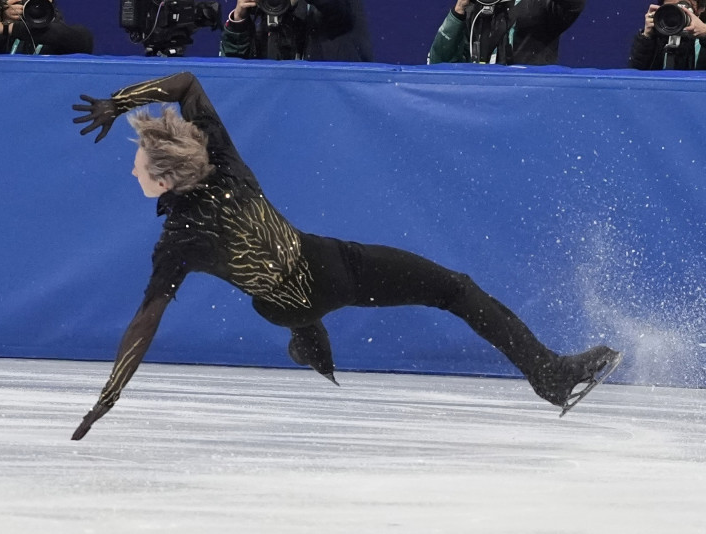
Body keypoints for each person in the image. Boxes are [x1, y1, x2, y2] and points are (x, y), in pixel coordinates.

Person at [69, 71, 622, 440]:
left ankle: (306, 340)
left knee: (283, 305)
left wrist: (109, 395)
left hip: (280, 303)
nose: (132, 170)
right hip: (330, 270)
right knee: (454, 289)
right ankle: (548, 373)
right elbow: (186, 83)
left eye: (139, 166)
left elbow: (145, 321)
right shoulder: (222, 160)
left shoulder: (180, 239)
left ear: (165, 181)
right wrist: (119, 103)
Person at [427, 0, 586, 65]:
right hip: (481, 108)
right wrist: (458, 12)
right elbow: (438, 64)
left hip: (527, 105)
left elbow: (573, 5)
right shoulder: (473, 10)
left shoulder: (541, 6)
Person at [219, 0, 373, 61]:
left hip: (328, 99)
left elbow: (338, 10)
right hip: (278, 102)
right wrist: (239, 19)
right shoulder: (269, 9)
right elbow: (233, 72)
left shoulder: (339, 9)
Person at [0, 0, 94, 55]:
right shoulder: (3, 30)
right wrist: (2, 20)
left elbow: (81, 39)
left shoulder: (65, 35)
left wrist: (7, 28)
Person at [629, 0, 706, 70]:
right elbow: (636, 74)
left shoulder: (702, 38)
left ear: (700, 9)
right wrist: (647, 37)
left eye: (683, 8)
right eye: (672, 8)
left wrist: (704, 33)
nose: (677, 14)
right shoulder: (658, 36)